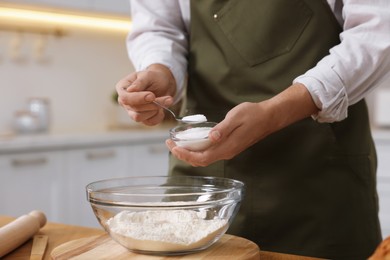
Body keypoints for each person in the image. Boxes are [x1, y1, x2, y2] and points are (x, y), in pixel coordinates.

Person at [115, 1, 390, 259]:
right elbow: (159, 27)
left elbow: (376, 32)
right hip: (205, 176)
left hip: (319, 175)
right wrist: (162, 72)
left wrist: (275, 112)